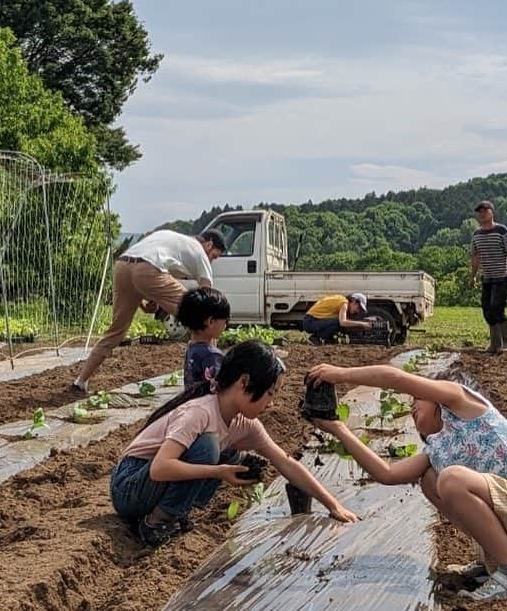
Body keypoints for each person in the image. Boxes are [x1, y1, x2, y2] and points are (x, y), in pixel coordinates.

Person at [305, 362, 507, 602]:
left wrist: (341, 374)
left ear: (438, 398)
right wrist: (337, 428)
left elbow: (396, 379)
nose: (412, 408)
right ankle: (497, 560)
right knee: (430, 480)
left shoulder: (462, 402)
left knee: (451, 479)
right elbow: (386, 474)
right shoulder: (437, 448)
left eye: (418, 399)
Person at [110, 340, 358, 546]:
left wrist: (334, 505)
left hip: (149, 485)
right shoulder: (200, 413)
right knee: (208, 448)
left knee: (226, 454)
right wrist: (219, 472)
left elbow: (286, 463)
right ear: (244, 383)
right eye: (270, 393)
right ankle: (155, 524)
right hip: (129, 487)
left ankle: (173, 512)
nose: (270, 403)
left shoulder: (243, 423)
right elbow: (160, 468)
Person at [72, 229, 226, 392]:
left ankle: (81, 381)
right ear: (208, 244)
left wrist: (149, 304)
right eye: (214, 256)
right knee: (203, 317)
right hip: (147, 269)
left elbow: (146, 276)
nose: (212, 261)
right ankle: (212, 379)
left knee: (116, 331)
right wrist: (200, 318)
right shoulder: (199, 252)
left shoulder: (173, 239)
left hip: (123, 266)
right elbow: (207, 301)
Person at [470, 200, 507, 354]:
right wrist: (472, 276)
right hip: (487, 277)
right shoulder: (477, 234)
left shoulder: (502, 230)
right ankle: (494, 344)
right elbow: (476, 257)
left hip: (502, 276)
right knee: (487, 310)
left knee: (497, 309)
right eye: (479, 211)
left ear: (492, 212)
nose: (482, 214)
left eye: (485, 210)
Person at [177, 287, 228, 388]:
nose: (226, 325)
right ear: (210, 322)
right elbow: (219, 388)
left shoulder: (191, 347)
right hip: (207, 403)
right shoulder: (212, 355)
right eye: (225, 321)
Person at [301, 293, 373, 344]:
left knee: (337, 321)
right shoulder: (344, 304)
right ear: (354, 301)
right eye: (358, 308)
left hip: (310, 320)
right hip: (310, 322)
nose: (357, 311)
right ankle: (316, 338)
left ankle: (326, 338)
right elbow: (343, 322)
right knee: (338, 322)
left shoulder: (341, 300)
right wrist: (362, 324)